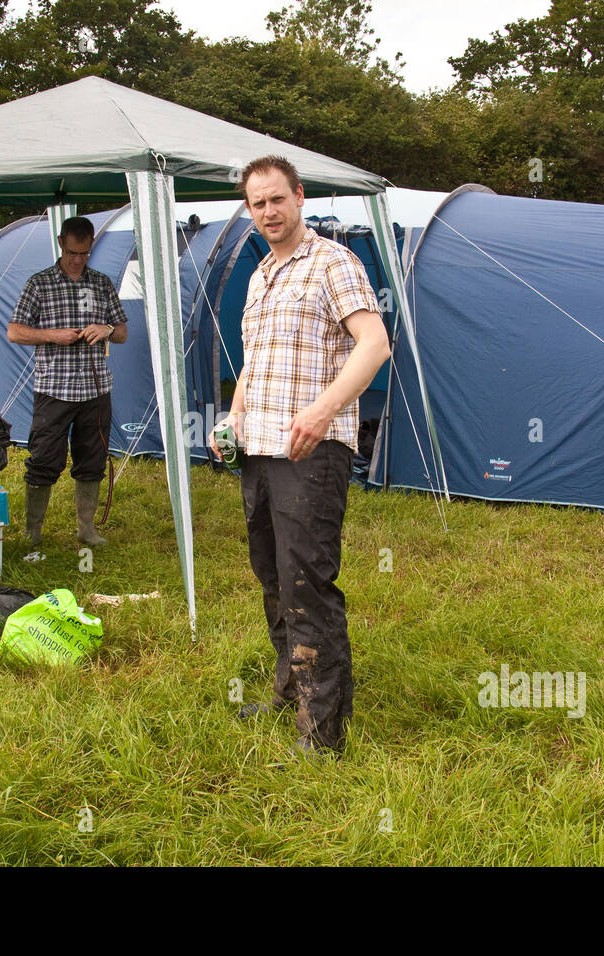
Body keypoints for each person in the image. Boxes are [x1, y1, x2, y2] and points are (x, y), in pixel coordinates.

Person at [211, 156, 391, 761]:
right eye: (257, 204)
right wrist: (232, 419)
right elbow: (254, 364)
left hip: (313, 452)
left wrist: (322, 412)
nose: (268, 212)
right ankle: (290, 690)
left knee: (307, 584)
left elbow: (375, 345)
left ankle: (323, 734)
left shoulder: (334, 263)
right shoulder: (261, 274)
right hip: (257, 450)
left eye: (277, 200)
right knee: (272, 578)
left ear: (299, 196)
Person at [8, 216, 128, 547]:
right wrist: (52, 336)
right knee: (44, 460)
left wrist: (106, 329)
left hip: (95, 390)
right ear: (61, 243)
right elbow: (14, 331)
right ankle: (33, 532)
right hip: (53, 389)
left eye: (85, 253)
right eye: (73, 252)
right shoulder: (40, 283)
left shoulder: (101, 284)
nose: (78, 260)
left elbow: (122, 333)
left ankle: (86, 529)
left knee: (92, 460)